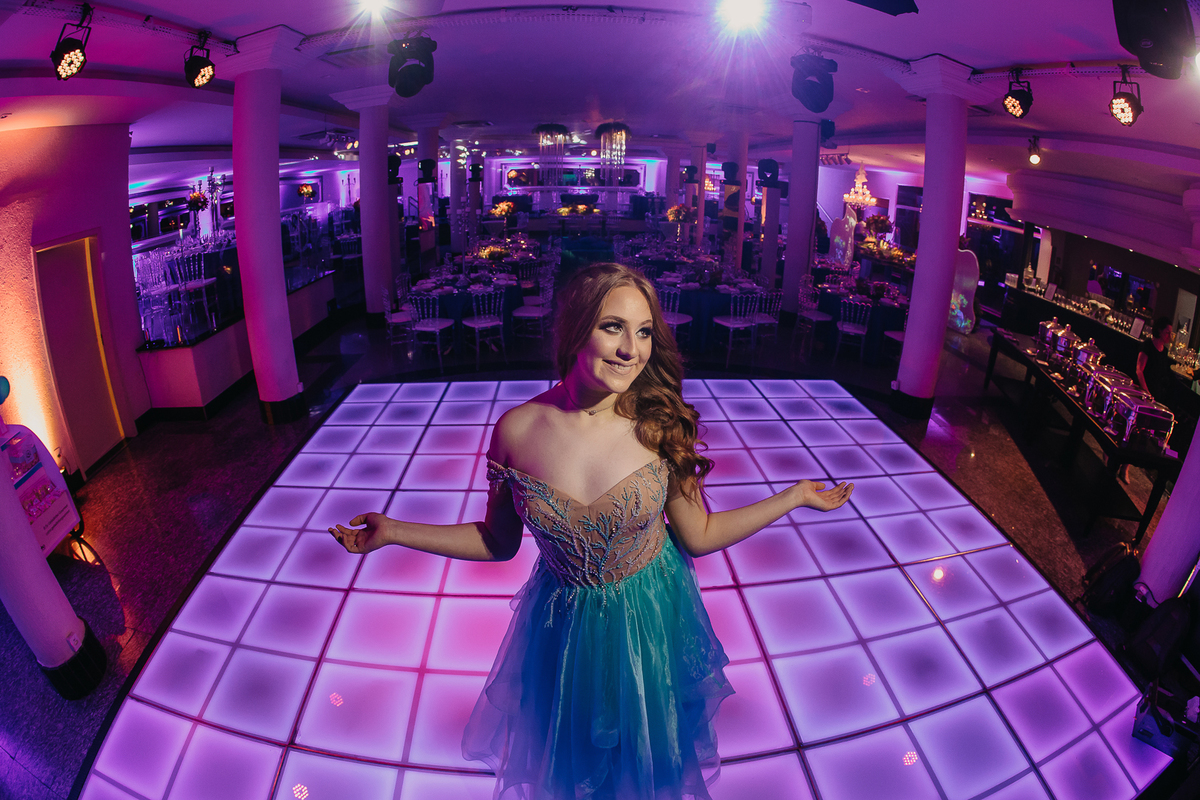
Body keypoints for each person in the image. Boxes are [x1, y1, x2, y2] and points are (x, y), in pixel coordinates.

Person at [329, 263, 854, 800]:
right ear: (576, 327)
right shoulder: (516, 430)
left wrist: (794, 496)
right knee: (574, 766)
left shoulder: (660, 423)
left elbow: (698, 535)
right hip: (564, 630)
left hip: (650, 622)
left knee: (644, 763)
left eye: (644, 332)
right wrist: (394, 531)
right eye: (613, 327)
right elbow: (497, 541)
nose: (631, 350)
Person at [1118, 316, 1173, 483]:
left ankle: (1125, 467)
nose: (1170, 336)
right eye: (1167, 332)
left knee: (1142, 432)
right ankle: (1115, 455)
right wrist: (1146, 391)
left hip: (1153, 394)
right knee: (1129, 427)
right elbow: (1139, 370)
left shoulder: (1165, 352)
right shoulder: (1148, 345)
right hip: (1141, 391)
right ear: (1159, 331)